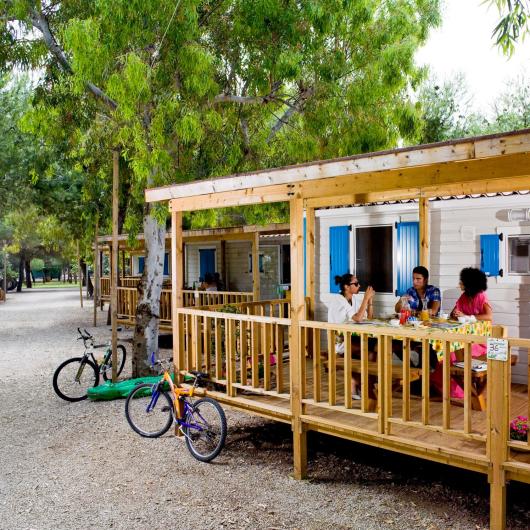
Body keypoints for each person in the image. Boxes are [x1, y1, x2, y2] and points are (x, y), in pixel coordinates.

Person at [431, 267, 493, 398]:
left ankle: (459, 390)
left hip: (478, 341)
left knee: (452, 353)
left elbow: (489, 316)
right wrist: (456, 314)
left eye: (462, 282)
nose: (459, 284)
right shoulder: (464, 296)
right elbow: (454, 314)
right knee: (447, 350)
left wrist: (468, 316)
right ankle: (445, 387)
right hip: (463, 338)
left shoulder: (481, 296)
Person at [327, 273, 375, 398]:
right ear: (346, 287)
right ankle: (363, 385)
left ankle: (359, 384)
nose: (359, 286)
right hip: (339, 341)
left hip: (352, 337)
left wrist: (370, 301)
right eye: (356, 284)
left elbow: (368, 317)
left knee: (372, 352)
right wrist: (365, 298)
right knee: (369, 351)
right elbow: (358, 318)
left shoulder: (353, 299)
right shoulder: (339, 300)